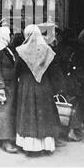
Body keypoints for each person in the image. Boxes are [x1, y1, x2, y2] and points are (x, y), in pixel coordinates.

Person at [14, 24, 63, 156]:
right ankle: (46, 145)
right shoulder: (47, 50)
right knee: (44, 115)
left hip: (27, 87)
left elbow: (16, 70)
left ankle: (30, 147)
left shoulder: (21, 50)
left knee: (28, 114)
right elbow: (54, 71)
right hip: (44, 86)